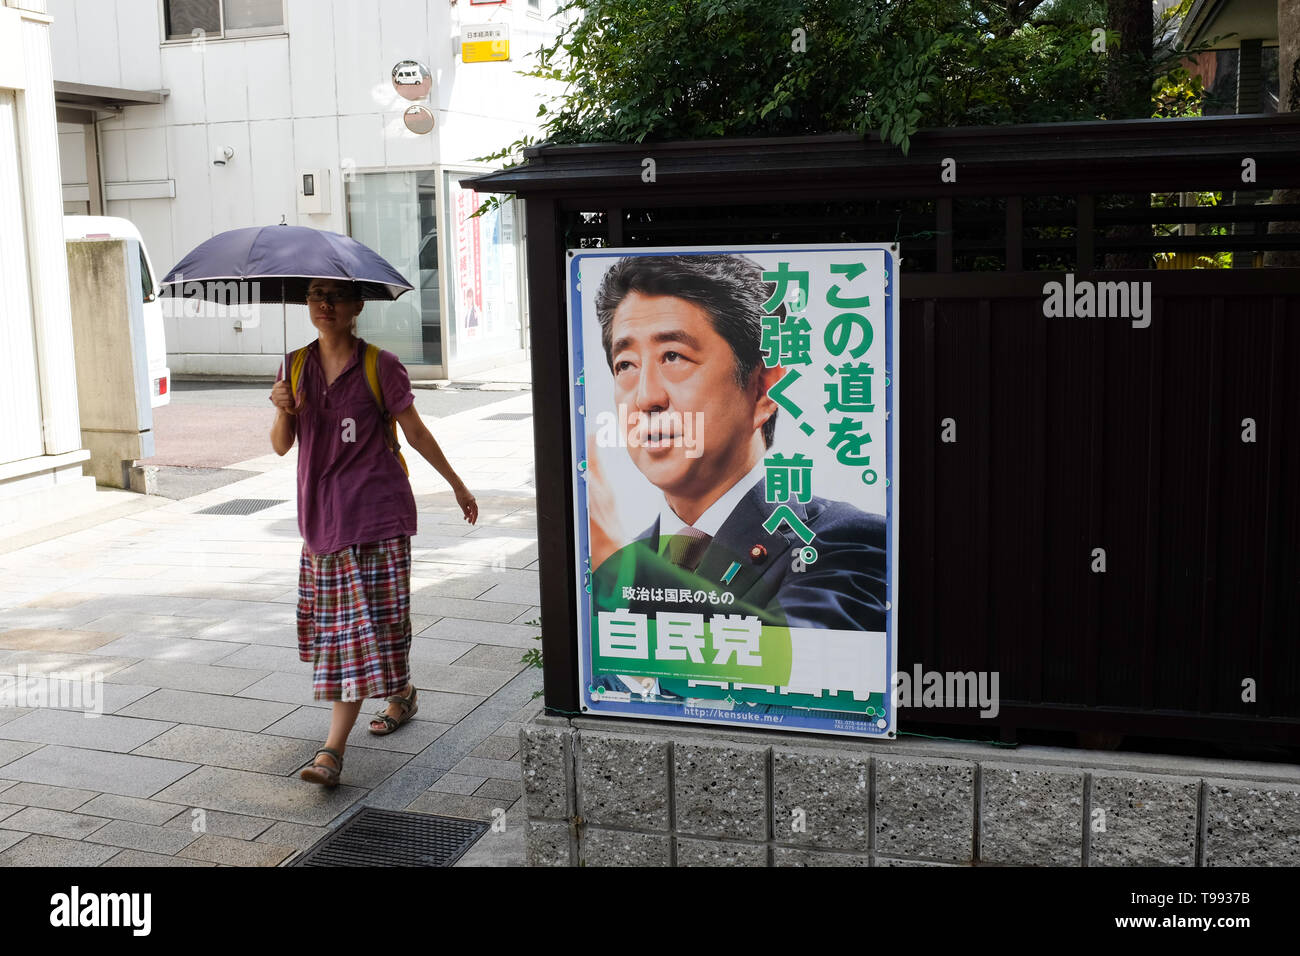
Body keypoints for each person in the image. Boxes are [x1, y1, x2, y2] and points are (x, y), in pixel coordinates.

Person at [584, 254, 886, 703]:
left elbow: (800, 684)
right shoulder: (615, 567)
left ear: (764, 390)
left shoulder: (848, 542)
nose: (645, 396)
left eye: (673, 356)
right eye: (625, 364)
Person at [269, 277, 477, 787]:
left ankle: (332, 751)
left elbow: (416, 431)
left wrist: (457, 484)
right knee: (351, 632)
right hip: (323, 521)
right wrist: (281, 406)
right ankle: (399, 693)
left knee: (376, 624)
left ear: (358, 304)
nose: (325, 305)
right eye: (316, 296)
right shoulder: (294, 366)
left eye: (336, 296)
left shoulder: (379, 365)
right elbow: (280, 446)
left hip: (379, 515)